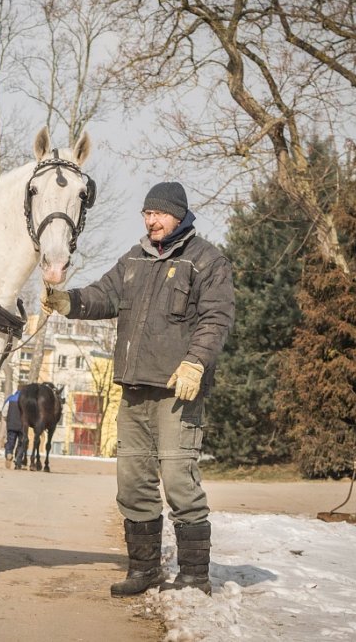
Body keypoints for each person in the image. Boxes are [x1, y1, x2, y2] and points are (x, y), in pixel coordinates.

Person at [42, 181, 234, 597]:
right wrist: (66, 301)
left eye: (159, 214)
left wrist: (195, 362)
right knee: (133, 482)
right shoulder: (134, 258)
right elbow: (103, 295)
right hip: (133, 388)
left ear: (179, 214)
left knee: (179, 480)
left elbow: (216, 319)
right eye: (147, 215)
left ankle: (194, 575)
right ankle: (144, 571)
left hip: (176, 390)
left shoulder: (207, 261)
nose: (151, 222)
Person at [1, 390, 22, 468]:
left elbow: (4, 412)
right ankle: (18, 460)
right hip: (22, 426)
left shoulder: (11, 399)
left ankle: (9, 453)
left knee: (10, 441)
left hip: (11, 425)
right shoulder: (26, 399)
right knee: (21, 443)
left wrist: (7, 418)